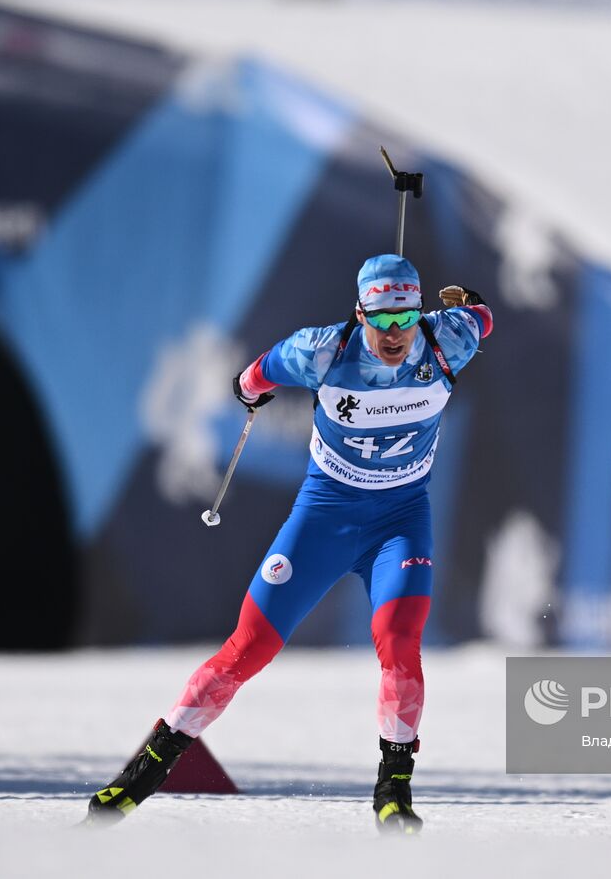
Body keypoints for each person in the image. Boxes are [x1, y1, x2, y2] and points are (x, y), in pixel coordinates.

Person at [85, 254, 492, 834]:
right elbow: (257, 373)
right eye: (383, 319)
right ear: (360, 313)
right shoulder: (323, 350)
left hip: (400, 522)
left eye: (406, 317)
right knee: (247, 649)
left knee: (400, 646)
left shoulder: (447, 339)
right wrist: (248, 391)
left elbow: (481, 317)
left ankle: (393, 791)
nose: (397, 334)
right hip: (325, 518)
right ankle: (145, 773)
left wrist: (465, 303)